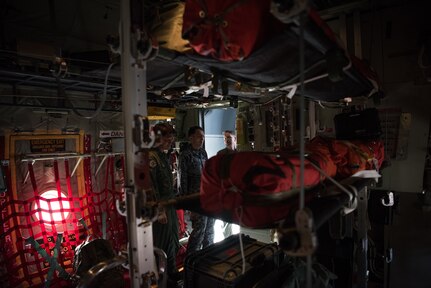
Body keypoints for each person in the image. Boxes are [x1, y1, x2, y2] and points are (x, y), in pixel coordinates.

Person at [148, 122, 180, 283]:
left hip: (169, 204)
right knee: (163, 244)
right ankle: (163, 278)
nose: (170, 141)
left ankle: (172, 272)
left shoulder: (161, 156)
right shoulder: (151, 157)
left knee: (173, 239)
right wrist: (160, 211)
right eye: (167, 138)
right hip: (161, 207)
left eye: (171, 138)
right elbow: (151, 187)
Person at [179, 126, 215, 255]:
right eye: (199, 136)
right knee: (199, 231)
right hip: (195, 199)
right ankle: (191, 260)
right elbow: (182, 180)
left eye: (203, 137)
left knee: (209, 230)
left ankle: (208, 257)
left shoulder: (203, 153)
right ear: (191, 137)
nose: (202, 139)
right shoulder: (185, 155)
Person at [216, 130, 237, 239]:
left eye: (229, 138)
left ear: (235, 138)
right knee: (227, 221)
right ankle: (228, 242)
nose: (227, 141)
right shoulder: (220, 154)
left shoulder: (240, 154)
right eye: (225, 139)